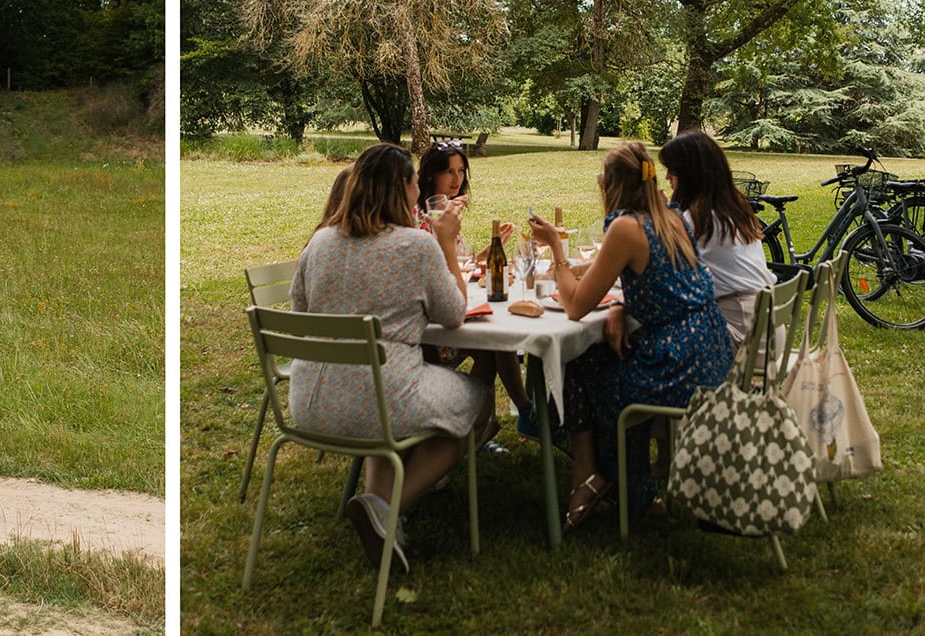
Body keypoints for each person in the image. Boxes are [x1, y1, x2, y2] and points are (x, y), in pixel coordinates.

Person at [291, 143, 496, 571]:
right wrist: (444, 245)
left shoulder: (320, 243)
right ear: (403, 189)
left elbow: (301, 313)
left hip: (310, 402)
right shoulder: (414, 247)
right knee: (472, 403)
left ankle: (377, 508)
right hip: (381, 400)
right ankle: (388, 511)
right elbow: (456, 313)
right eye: (412, 183)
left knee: (381, 401)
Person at [528, 141, 732, 528]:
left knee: (580, 363)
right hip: (710, 351)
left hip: (678, 365)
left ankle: (597, 481)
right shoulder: (671, 217)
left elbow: (573, 306)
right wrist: (619, 304)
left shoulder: (626, 227)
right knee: (597, 357)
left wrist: (556, 247)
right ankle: (617, 486)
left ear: (610, 186)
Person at [416, 139, 534, 439]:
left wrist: (489, 251)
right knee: (495, 342)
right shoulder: (424, 218)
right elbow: (434, 269)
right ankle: (516, 415)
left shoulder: (447, 215)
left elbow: (456, 262)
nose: (457, 179)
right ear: (430, 176)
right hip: (431, 332)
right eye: (449, 172)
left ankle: (481, 431)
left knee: (494, 343)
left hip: (446, 312)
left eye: (461, 171)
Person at [658, 130, 772, 347]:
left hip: (739, 336)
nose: (667, 177)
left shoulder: (701, 219)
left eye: (672, 170)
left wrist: (658, 216)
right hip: (764, 331)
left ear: (689, 173)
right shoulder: (733, 208)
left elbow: (662, 271)